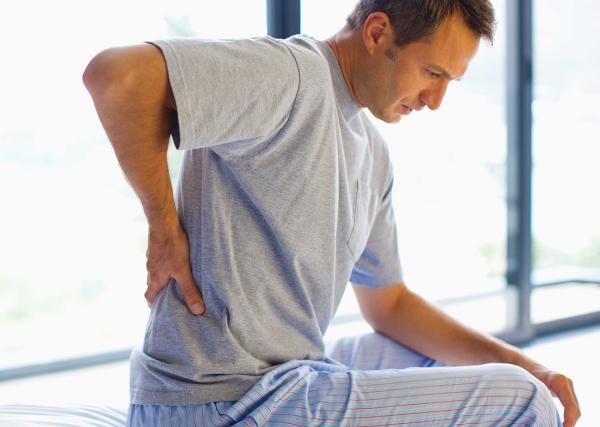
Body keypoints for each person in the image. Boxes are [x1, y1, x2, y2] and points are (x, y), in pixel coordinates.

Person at [83, 0, 580, 425]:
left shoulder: (373, 152)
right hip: (219, 400)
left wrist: (525, 364)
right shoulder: (291, 76)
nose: (436, 101)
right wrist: (164, 228)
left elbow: (388, 306)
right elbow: (118, 77)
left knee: (470, 369)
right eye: (432, 73)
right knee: (525, 403)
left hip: (289, 377)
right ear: (378, 31)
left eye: (449, 81)